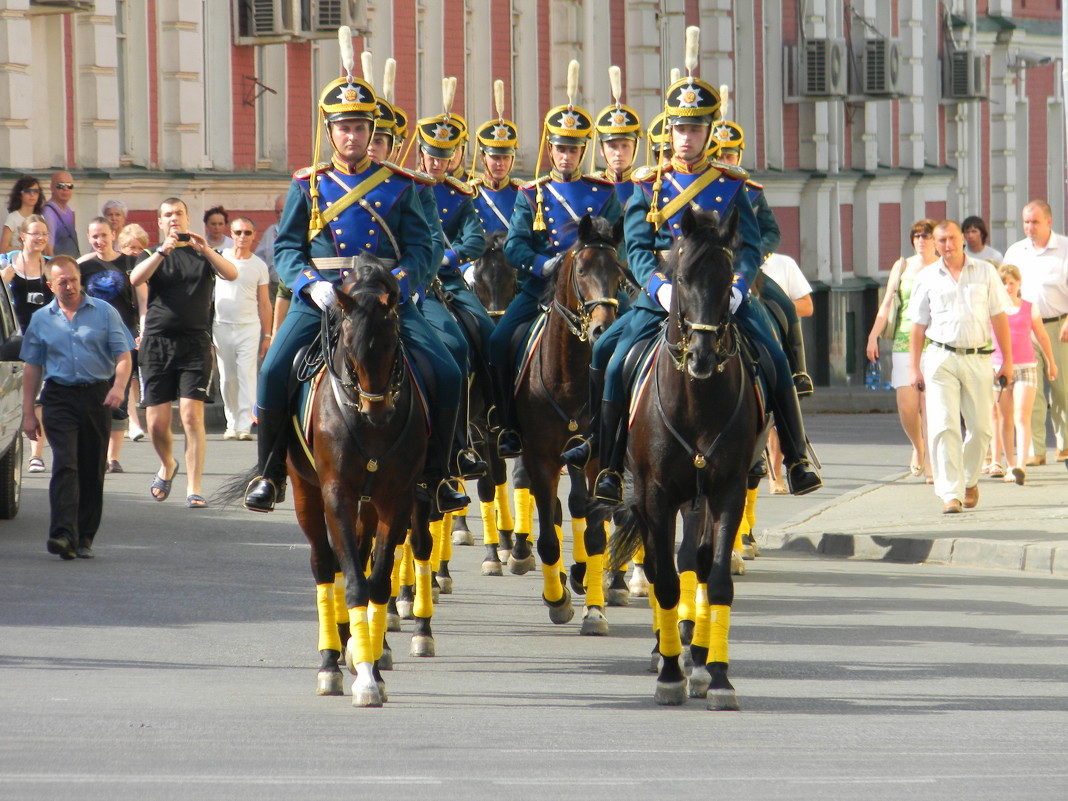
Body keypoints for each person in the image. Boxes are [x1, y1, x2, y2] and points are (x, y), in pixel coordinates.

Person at [243, 57, 468, 515]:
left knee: (446, 370)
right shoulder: (308, 185)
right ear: (331, 133)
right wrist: (310, 285)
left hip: (384, 301)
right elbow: (286, 248)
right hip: (326, 297)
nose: (352, 136)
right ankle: (267, 472)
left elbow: (423, 250)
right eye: (343, 127)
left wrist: (397, 287)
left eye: (360, 128)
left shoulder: (403, 184)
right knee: (272, 371)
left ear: (372, 132)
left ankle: (441, 472)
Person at [591, 69, 821, 502]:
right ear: (670, 129)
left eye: (694, 129)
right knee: (612, 354)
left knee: (772, 354)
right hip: (663, 294)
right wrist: (657, 288)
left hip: (720, 293)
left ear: (708, 131)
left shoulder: (730, 183)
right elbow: (638, 248)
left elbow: (751, 246)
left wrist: (738, 288)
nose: (685, 137)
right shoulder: (647, 184)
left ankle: (796, 457)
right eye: (679, 128)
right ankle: (608, 462)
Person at [491, 66, 622, 461]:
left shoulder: (603, 192)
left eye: (574, 148)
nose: (566, 156)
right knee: (498, 343)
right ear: (551, 150)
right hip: (541, 289)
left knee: (629, 343)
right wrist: (542, 265)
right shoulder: (532, 194)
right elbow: (514, 246)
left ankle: (617, 427)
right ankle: (508, 426)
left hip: (595, 289)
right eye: (560, 148)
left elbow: (619, 242)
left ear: (583, 151)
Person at [20, 257, 134, 559]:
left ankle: (84, 536)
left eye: (73, 279)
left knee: (91, 469)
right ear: (50, 285)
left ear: (80, 278)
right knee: (65, 463)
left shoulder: (104, 312)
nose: (70, 286)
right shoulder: (42, 319)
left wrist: (118, 388)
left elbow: (123, 356)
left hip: (97, 395)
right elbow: (33, 367)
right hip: (58, 396)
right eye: (62, 282)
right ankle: (61, 534)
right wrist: (28, 412)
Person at [130, 198, 238, 509]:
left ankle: (194, 487)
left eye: (179, 213)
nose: (174, 219)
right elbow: (135, 279)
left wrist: (205, 251)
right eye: (167, 215)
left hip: (195, 343)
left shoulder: (203, 253)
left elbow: (231, 274)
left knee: (191, 416)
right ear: (160, 223)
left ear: (187, 218)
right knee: (157, 423)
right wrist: (163, 250)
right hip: (157, 344)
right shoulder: (154, 254)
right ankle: (167, 465)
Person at [907, 220, 1012, 514]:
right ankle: (950, 493)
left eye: (952, 238)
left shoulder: (986, 272)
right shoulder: (927, 277)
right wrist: (914, 368)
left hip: (979, 357)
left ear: (962, 239)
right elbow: (918, 326)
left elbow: (1000, 318)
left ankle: (968, 479)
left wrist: (1008, 361)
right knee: (944, 426)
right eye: (941, 240)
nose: (948, 245)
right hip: (940, 357)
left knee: (980, 428)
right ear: (935, 244)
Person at [413, 99, 494, 477]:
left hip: (445, 278)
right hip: (412, 279)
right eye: (432, 157)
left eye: (444, 158)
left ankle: (490, 418)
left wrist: (451, 257)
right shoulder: (406, 186)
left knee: (483, 333)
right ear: (421, 154)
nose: (437, 165)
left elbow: (475, 239)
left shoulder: (461, 195)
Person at [866, 218, 940, 479]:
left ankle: (932, 464)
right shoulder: (903, 265)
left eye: (926, 235)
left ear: (936, 240)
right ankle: (918, 446)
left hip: (934, 344)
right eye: (916, 236)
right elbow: (887, 303)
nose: (921, 240)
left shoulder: (942, 267)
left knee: (929, 406)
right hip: (903, 343)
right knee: (908, 408)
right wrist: (873, 335)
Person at [1002, 200, 1068, 466]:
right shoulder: (1016, 252)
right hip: (1024, 330)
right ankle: (1034, 449)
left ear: (1049, 222)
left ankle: (1064, 445)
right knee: (1031, 391)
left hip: (1059, 327)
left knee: (1062, 389)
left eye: (1035, 222)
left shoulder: (1064, 248)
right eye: (1026, 222)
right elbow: (1003, 287)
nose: (1029, 227)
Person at [77, 217, 144, 474]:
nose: (99, 241)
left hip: (123, 339)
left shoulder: (129, 263)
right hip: (91, 340)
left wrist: (143, 329)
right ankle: (96, 452)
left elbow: (141, 299)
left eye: (104, 235)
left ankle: (112, 457)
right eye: (94, 236)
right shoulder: (83, 266)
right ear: (88, 237)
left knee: (120, 396)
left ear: (113, 234)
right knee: (94, 396)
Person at [989, 263, 1058, 484]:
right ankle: (1010, 464)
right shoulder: (993, 309)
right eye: (1004, 283)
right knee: (1004, 418)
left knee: (1021, 415)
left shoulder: (1029, 307)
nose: (1008, 287)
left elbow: (1043, 336)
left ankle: (1021, 464)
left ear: (1019, 284)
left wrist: (1051, 362)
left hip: (1027, 366)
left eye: (1011, 282)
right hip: (999, 367)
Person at [2, 214, 53, 473]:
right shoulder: (7, 263)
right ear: (22, 236)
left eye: (44, 233)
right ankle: (10, 447)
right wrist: (4, 277)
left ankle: (36, 453)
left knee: (38, 398)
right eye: (35, 233)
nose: (41, 238)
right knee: (12, 399)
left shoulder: (51, 266)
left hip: (43, 343)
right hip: (12, 341)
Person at [760, 252, 813, 493]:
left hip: (746, 271)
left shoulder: (782, 263)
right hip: (679, 273)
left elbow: (806, 306)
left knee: (778, 361)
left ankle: (789, 465)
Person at [215, 217, 271, 441]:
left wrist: (267, 335)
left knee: (247, 375)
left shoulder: (258, 265)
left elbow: (265, 303)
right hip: (221, 325)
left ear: (254, 236)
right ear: (232, 233)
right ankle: (232, 423)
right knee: (227, 377)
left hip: (249, 327)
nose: (242, 237)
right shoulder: (220, 258)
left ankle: (245, 425)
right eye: (238, 232)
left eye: (247, 233)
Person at [593, 67, 641, 207]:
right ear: (602, 149)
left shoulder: (646, 186)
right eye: (612, 146)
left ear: (635, 147)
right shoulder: (593, 187)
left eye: (625, 145)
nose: (619, 153)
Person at [254, 194, 286, 302]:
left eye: (283, 211)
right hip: (274, 286)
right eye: (277, 212)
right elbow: (259, 257)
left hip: (293, 286)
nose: (280, 215)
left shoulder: (300, 230)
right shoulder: (270, 231)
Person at [2, 175, 44, 253]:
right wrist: (26, 249)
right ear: (20, 194)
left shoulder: (40, 218)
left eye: (36, 191)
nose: (32, 195)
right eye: (28, 191)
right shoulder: (12, 218)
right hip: (16, 261)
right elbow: (3, 249)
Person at [42, 171, 79, 257]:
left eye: (69, 186)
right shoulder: (48, 213)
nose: (65, 189)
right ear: (52, 188)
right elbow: (48, 250)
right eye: (60, 185)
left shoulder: (69, 210)